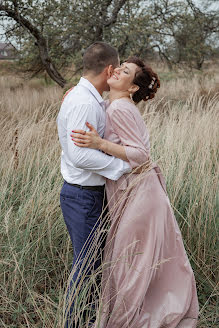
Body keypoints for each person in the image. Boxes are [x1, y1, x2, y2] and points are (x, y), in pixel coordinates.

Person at [71, 57, 199, 327]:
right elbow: (98, 105)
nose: (117, 71)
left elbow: (141, 155)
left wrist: (99, 143)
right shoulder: (115, 104)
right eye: (118, 67)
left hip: (140, 194)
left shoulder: (121, 108)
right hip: (136, 191)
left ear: (131, 88)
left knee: (128, 262)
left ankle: (123, 321)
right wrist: (76, 93)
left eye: (125, 71)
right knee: (132, 260)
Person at [56, 42, 132, 327]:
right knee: (87, 268)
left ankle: (84, 321)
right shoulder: (84, 101)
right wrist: (122, 168)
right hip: (83, 196)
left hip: (85, 194)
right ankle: (76, 323)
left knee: (91, 265)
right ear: (110, 69)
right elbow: (77, 154)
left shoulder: (84, 97)